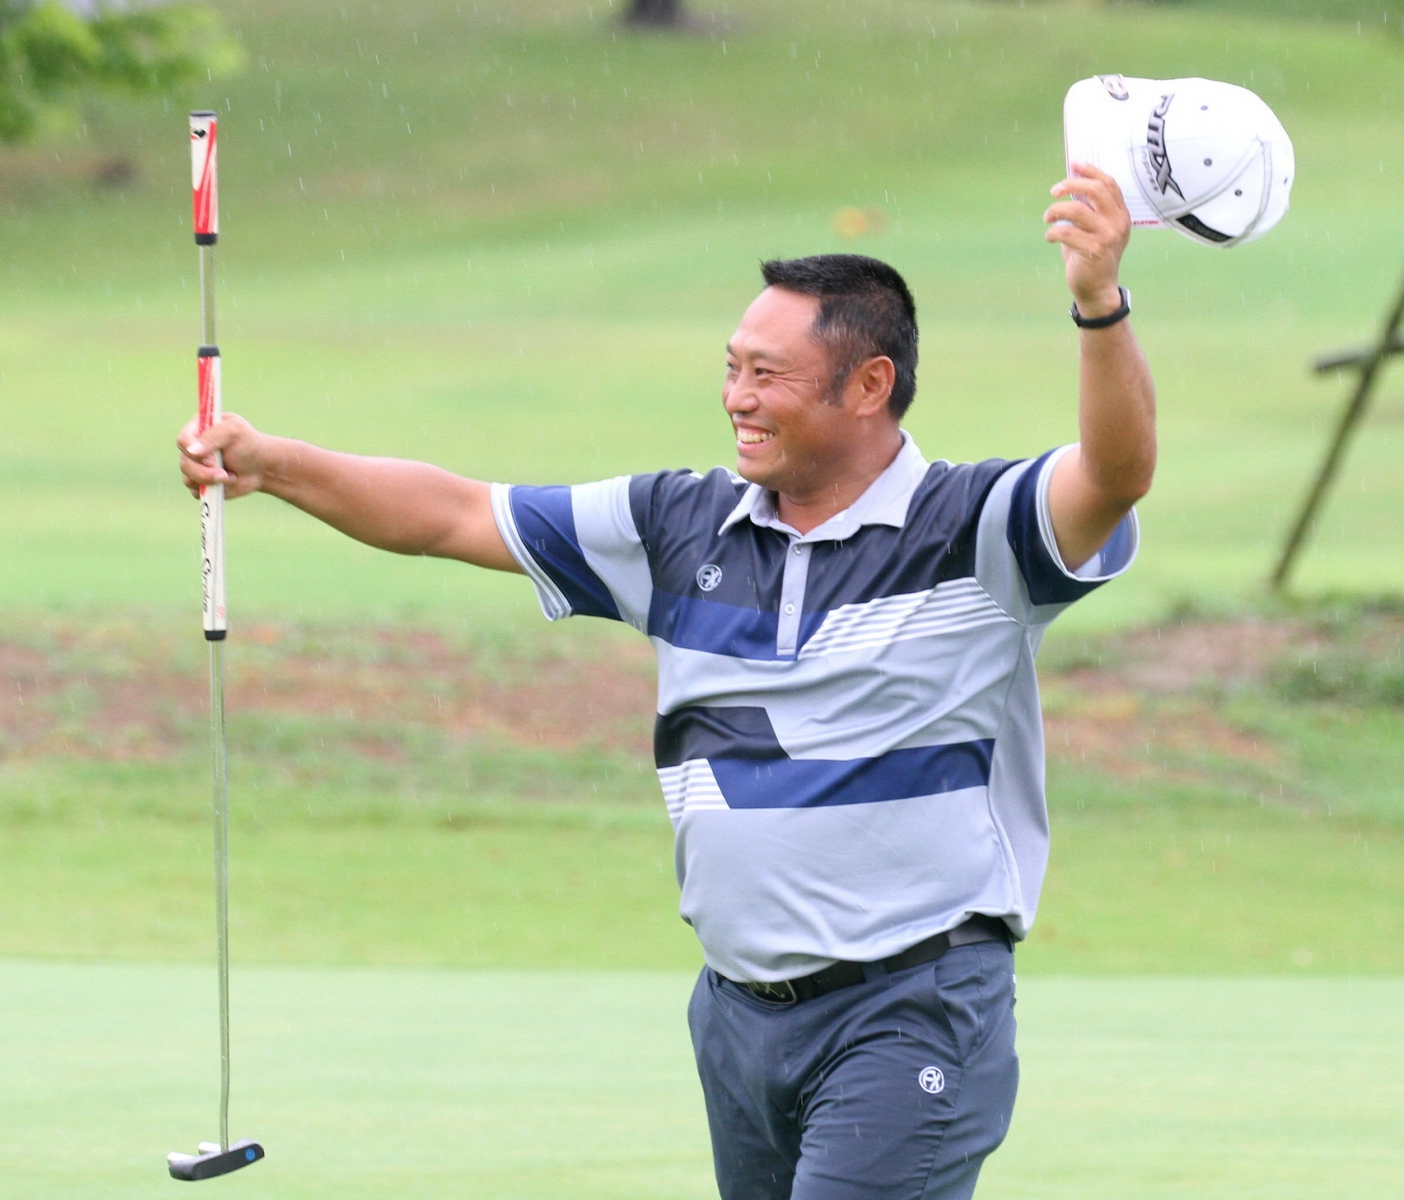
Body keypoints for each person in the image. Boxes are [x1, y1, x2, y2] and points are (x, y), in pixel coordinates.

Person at [177, 163, 1155, 1200]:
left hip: (910, 1008)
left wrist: (1097, 304)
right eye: (731, 367)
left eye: (765, 375)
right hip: (738, 1019)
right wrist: (270, 464)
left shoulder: (973, 528)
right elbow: (456, 514)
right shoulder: (676, 524)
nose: (735, 398)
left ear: (866, 385)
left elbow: (1112, 474)